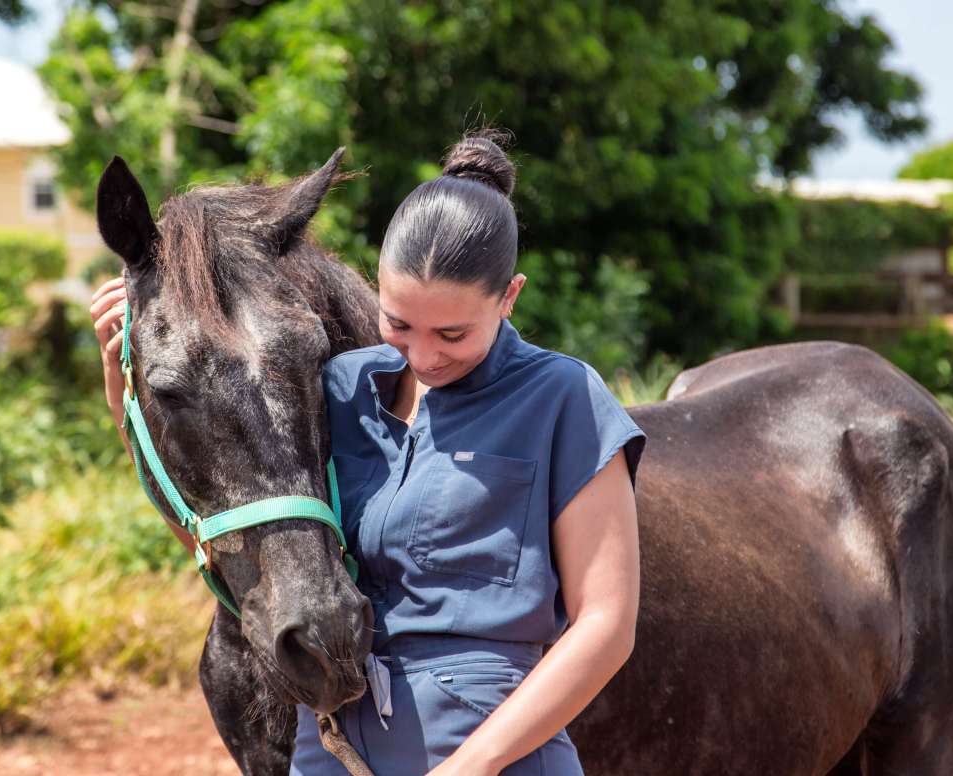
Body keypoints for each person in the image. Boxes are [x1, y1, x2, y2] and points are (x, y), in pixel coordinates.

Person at [90, 133, 645, 775]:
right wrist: (121, 367)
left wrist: (471, 767)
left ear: (510, 297)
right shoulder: (342, 389)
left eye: (454, 334)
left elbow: (607, 624)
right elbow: (223, 526)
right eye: (399, 324)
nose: (426, 356)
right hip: (332, 757)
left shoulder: (564, 396)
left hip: (488, 756)